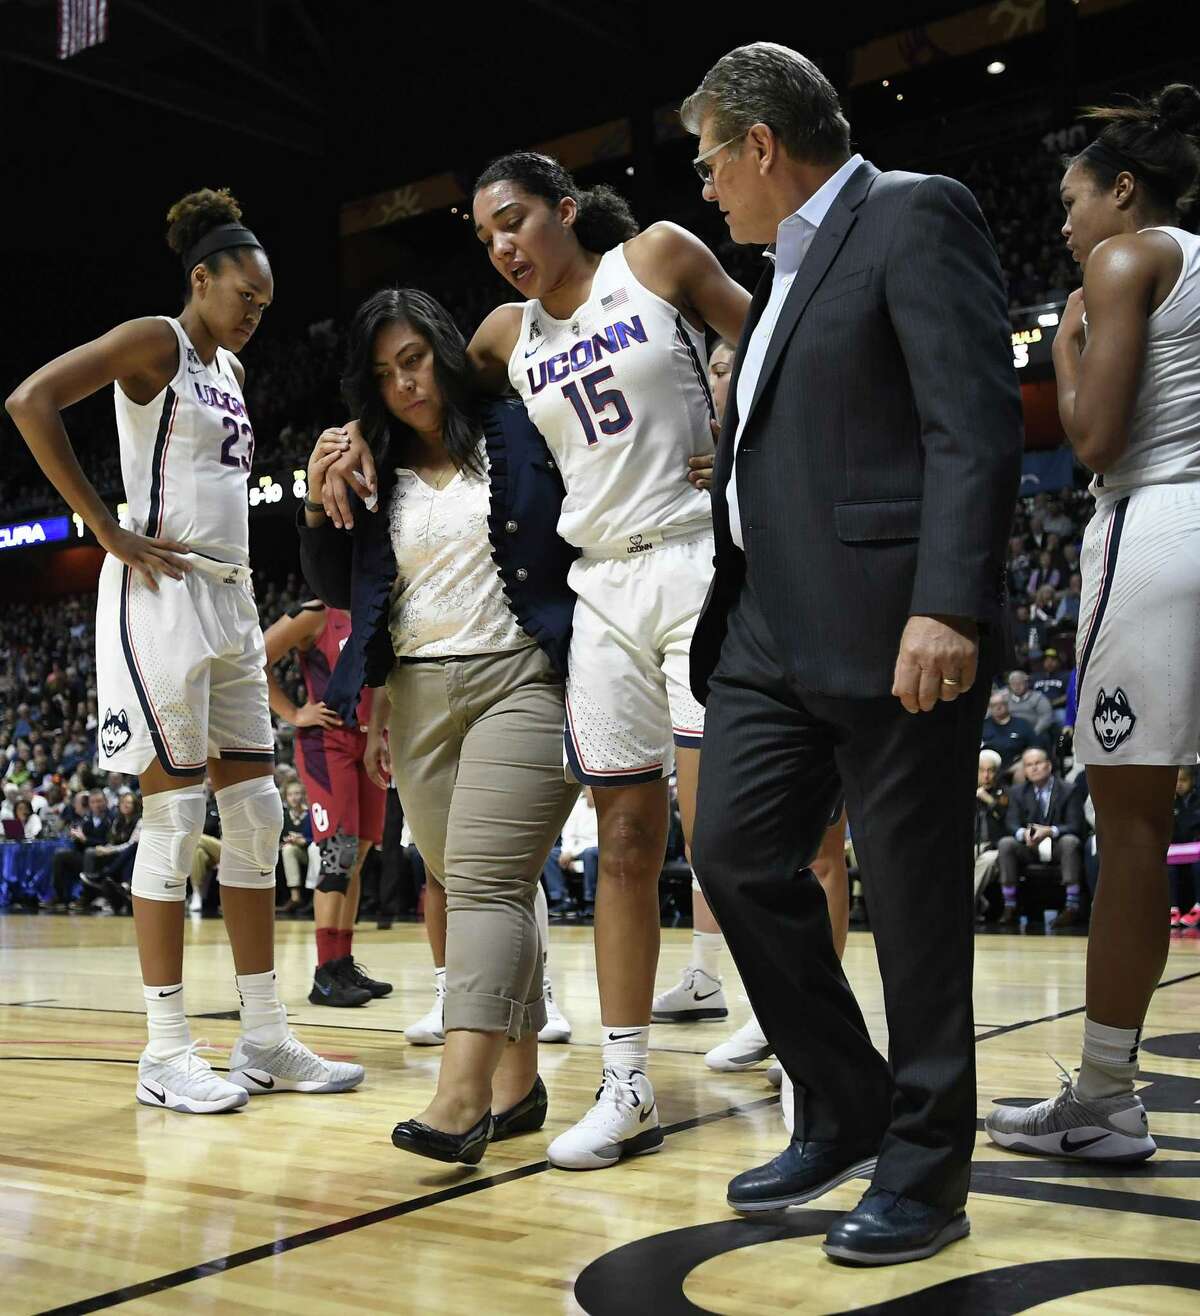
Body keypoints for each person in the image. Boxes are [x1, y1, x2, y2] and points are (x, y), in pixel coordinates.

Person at [681, 43, 1022, 1265]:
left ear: (763, 146)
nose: (709, 185)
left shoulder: (912, 212)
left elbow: (970, 421)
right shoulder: (780, 268)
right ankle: (847, 1098)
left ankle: (927, 1169)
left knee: (918, 903)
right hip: (768, 621)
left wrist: (952, 604)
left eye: (714, 159)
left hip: (892, 618)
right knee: (729, 854)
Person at [5, 187, 362, 1112]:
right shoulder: (156, 341)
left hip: (232, 597)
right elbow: (31, 400)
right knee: (172, 821)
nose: (256, 313)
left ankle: (263, 1038)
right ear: (201, 279)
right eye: (246, 295)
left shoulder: (232, 376)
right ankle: (163, 1052)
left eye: (267, 303)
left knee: (254, 820)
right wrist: (106, 530)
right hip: (161, 592)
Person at [463, 150, 750, 1171]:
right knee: (626, 837)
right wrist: (348, 442)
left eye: (516, 221)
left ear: (565, 210)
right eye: (486, 234)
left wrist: (735, 406)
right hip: (602, 591)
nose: (502, 246)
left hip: (697, 557)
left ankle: (804, 1046)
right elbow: (425, 417)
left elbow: (759, 326)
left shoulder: (658, 256)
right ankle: (626, 1082)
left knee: (727, 833)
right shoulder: (503, 336)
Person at [299, 288, 579, 1165]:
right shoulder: (369, 463)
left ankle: (462, 1098)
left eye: (414, 359)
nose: (404, 385)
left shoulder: (518, 425)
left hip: (523, 674)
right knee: (469, 884)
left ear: (445, 349)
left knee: (486, 881)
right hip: (416, 695)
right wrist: (317, 494)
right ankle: (520, 1080)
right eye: (384, 374)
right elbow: (341, 589)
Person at [986, 82, 1200, 1164]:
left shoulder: (1122, 264)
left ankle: (1108, 1096)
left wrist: (1065, 346)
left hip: (1159, 527)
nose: (1066, 227)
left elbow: (1099, 442)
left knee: (1129, 834)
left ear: (1124, 189)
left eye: (1074, 201)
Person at [263, 602, 390, 1008]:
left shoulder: (378, 608)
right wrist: (294, 713)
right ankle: (324, 975)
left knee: (358, 854)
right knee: (339, 853)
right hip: (326, 742)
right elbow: (253, 655)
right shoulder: (315, 612)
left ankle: (342, 963)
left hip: (369, 740)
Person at [996, 747, 1087, 927]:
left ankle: (1072, 907)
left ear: (1048, 765)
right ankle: (1010, 906)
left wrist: (1049, 831)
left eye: (1038, 763)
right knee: (1006, 843)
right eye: (1029, 765)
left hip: (1057, 845)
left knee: (1070, 842)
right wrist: (1024, 834)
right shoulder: (1017, 791)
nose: (1034, 768)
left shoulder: (1069, 790)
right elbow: (1011, 823)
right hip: (1029, 845)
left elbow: (1075, 825)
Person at [974, 749, 1008, 910]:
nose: (986, 776)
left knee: (986, 862)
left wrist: (989, 800)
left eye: (990, 771)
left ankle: (967, 904)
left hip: (995, 847)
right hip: (974, 844)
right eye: (981, 770)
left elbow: (1006, 817)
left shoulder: (1005, 793)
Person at [982, 690, 1043, 778]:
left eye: (1001, 703)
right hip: (989, 767)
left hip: (1016, 765)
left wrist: (1023, 761)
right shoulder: (984, 726)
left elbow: (1035, 746)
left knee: (1022, 769)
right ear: (989, 708)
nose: (998, 707)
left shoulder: (1022, 724)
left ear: (1007, 705)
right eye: (994, 705)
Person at [1006, 670, 1055, 736]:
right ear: (1009, 685)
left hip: (1035, 733)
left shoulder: (1038, 697)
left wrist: (1033, 734)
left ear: (1027, 683)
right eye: (1013, 684)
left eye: (1020, 683)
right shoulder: (1005, 699)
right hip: (1011, 734)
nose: (1017, 687)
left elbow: (1046, 717)